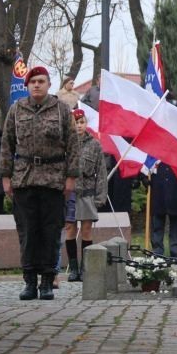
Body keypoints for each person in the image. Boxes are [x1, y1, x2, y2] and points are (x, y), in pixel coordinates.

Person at [0, 66, 79, 301]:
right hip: (24, 179)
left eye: (41, 81)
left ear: (48, 84)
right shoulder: (16, 109)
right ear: (27, 85)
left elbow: (73, 145)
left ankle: (47, 281)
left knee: (50, 232)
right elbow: (7, 144)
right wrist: (6, 176)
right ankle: (29, 281)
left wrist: (71, 177)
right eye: (32, 81)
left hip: (53, 180)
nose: (37, 85)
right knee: (27, 233)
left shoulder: (62, 110)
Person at [63, 108, 107, 281]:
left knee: (87, 229)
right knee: (70, 228)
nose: (79, 126)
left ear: (86, 124)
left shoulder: (94, 144)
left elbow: (101, 172)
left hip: (87, 192)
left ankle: (85, 268)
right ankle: (73, 268)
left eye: (82, 122)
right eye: (76, 122)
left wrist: (100, 196)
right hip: (70, 192)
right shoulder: (66, 144)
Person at [148, 162, 177, 258]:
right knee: (157, 223)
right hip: (157, 188)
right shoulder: (154, 148)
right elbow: (146, 161)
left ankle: (176, 253)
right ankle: (157, 253)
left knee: (176, 224)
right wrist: (144, 178)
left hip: (176, 187)